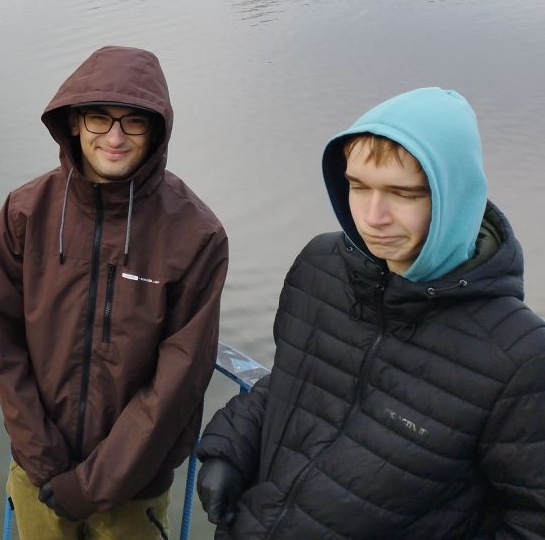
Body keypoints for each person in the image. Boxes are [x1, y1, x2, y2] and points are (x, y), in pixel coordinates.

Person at [196, 87, 545, 539]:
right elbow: (288, 383)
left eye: (403, 193)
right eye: (359, 186)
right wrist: (228, 449)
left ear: (454, 198)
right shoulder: (320, 266)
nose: (372, 216)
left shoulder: (518, 355)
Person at [0, 46, 229, 540]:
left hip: (132, 490)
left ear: (156, 130)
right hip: (39, 476)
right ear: (74, 122)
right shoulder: (25, 213)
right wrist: (44, 459)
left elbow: (179, 378)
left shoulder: (194, 234)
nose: (114, 138)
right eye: (99, 118)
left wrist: (94, 484)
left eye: (133, 122)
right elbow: (4, 342)